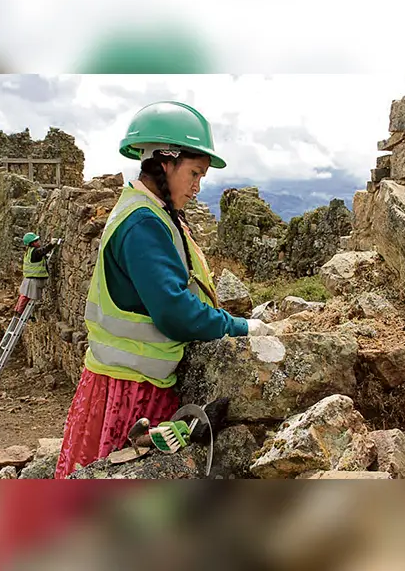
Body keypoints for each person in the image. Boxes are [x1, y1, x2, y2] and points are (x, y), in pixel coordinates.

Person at [54, 100, 273, 479]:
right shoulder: (143, 224)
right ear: (164, 161)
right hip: (130, 392)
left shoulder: (151, 213)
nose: (197, 186)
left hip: (128, 382)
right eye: (194, 173)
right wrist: (240, 328)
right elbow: (173, 309)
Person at [15, 232, 60, 314]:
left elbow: (39, 256)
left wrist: (45, 257)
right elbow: (43, 251)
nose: (38, 242)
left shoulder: (29, 251)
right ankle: (20, 312)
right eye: (36, 241)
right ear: (31, 243)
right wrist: (51, 244)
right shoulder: (35, 252)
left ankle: (18, 311)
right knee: (26, 298)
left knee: (24, 297)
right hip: (34, 280)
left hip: (29, 279)